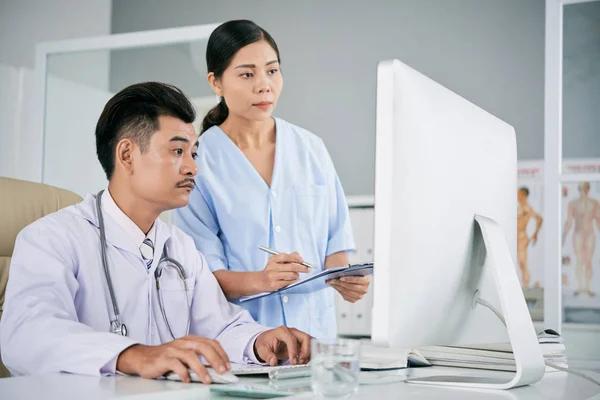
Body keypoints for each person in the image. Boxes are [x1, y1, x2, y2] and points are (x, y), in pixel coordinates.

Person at [0, 82, 311, 383]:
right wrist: (134, 355)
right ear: (126, 155)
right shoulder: (51, 238)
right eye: (177, 151)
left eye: (194, 154)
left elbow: (219, 327)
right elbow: (27, 334)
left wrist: (258, 342)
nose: (192, 168)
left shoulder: (180, 247)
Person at [173, 20, 370, 340]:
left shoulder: (311, 149)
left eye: (272, 71)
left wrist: (346, 280)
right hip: (242, 339)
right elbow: (202, 277)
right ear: (216, 82)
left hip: (315, 336)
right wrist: (262, 280)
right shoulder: (198, 162)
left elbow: (335, 247)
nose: (264, 85)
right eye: (247, 74)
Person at [562, 181, 600, 297]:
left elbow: (598, 220)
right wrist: (563, 236)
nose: (584, 190)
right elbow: (569, 221)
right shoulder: (573, 203)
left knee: (588, 260)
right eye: (582, 188)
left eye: (585, 188)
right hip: (578, 233)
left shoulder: (594, 203)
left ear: (588, 189)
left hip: (589, 234)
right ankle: (580, 286)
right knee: (579, 259)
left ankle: (587, 287)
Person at [517, 187, 543, 288]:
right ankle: (524, 285)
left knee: (522, 262)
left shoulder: (527, 208)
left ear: (523, 195)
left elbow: (540, 219)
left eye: (518, 194)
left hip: (521, 237)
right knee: (518, 263)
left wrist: (535, 234)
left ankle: (525, 286)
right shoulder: (519, 207)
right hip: (515, 236)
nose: (517, 196)